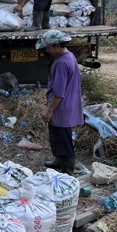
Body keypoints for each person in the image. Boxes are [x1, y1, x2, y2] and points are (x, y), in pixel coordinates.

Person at [35, 30, 83, 176]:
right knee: (58, 137)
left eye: (48, 47)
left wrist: (49, 110)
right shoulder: (69, 56)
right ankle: (59, 161)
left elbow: (59, 92)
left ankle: (68, 171)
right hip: (68, 104)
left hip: (61, 107)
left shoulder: (61, 63)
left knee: (63, 139)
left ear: (56, 45)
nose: (47, 50)